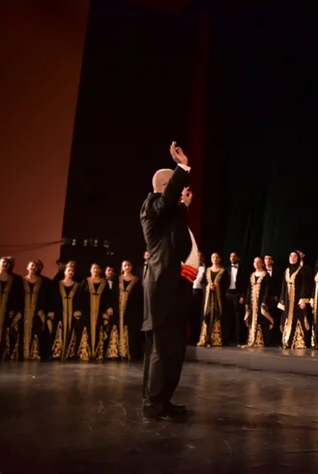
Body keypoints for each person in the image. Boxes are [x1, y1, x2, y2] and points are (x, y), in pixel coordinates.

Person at [140, 141, 195, 421]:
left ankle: (164, 399)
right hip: (161, 287)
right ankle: (154, 405)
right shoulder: (151, 205)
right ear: (164, 186)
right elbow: (166, 206)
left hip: (172, 287)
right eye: (173, 183)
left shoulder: (167, 213)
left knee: (172, 348)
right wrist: (182, 166)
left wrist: (183, 207)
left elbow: (173, 228)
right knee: (162, 349)